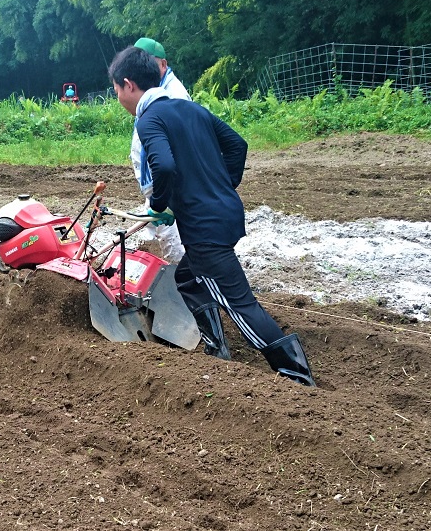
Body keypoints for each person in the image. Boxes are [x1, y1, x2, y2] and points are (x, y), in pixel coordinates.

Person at [108, 45, 316, 386]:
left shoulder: (149, 120)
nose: (118, 96)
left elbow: (164, 165)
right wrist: (221, 185)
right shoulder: (193, 111)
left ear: (128, 84)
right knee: (188, 278)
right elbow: (238, 146)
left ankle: (295, 372)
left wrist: (160, 205)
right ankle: (215, 347)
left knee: (239, 304)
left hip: (204, 227)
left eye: (116, 89)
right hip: (226, 214)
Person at [129, 38, 190, 264]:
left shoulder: (174, 96)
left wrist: (161, 201)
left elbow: (172, 156)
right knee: (150, 240)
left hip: (168, 190)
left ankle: (181, 286)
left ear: (162, 65)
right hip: (157, 189)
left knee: (174, 243)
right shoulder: (152, 93)